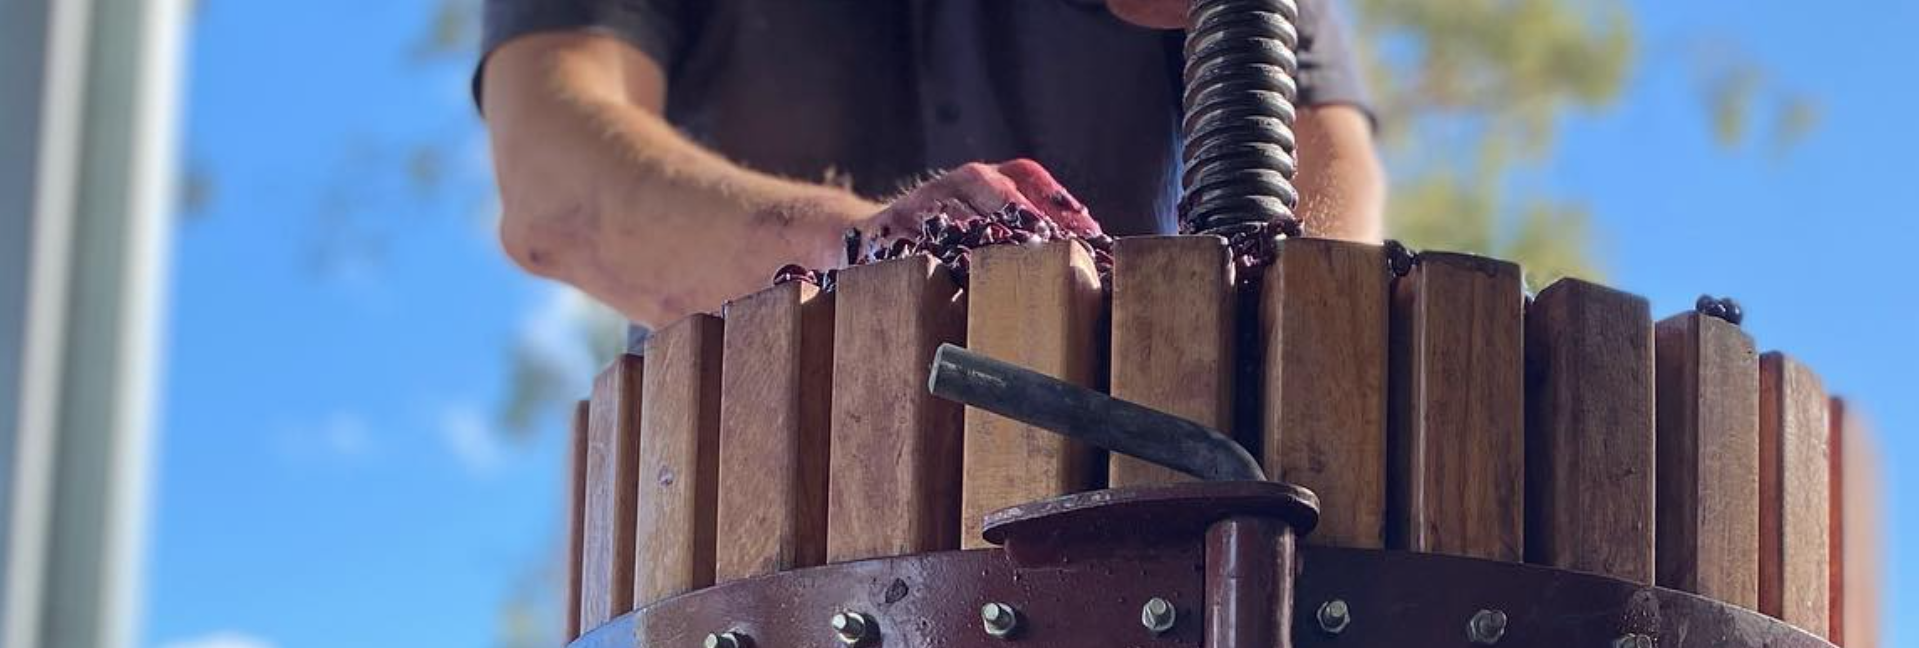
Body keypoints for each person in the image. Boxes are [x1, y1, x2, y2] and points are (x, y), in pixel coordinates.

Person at [478, 2, 1385, 326]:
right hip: (751, 593)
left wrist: (1284, 336)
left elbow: (1326, 164)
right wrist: (874, 257)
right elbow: (557, 181)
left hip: (1156, 537)